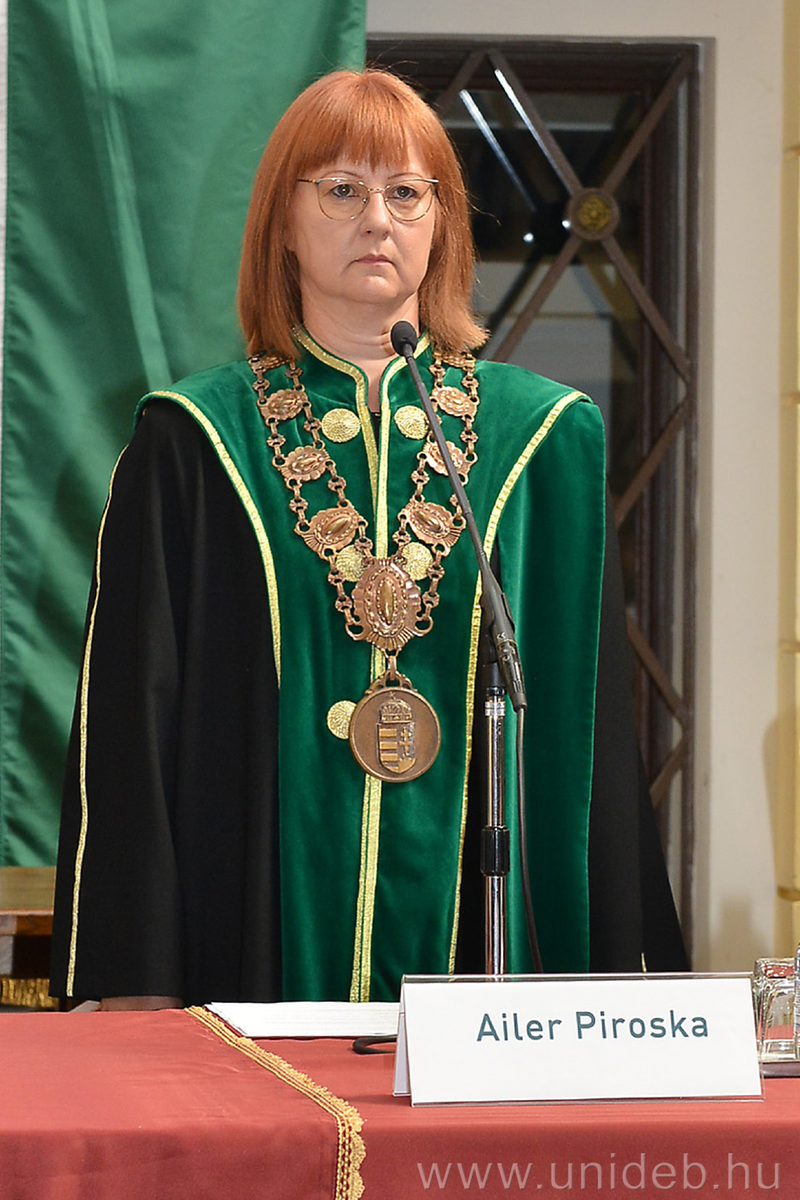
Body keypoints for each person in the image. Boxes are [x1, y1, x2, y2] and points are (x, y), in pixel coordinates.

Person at [50, 68, 687, 1010]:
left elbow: (589, 745)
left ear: (442, 225)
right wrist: (132, 982)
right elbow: (129, 733)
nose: (377, 221)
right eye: (342, 190)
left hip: (485, 970)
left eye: (406, 193)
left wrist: (622, 990)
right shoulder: (191, 440)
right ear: (282, 223)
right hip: (245, 950)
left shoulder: (543, 439)